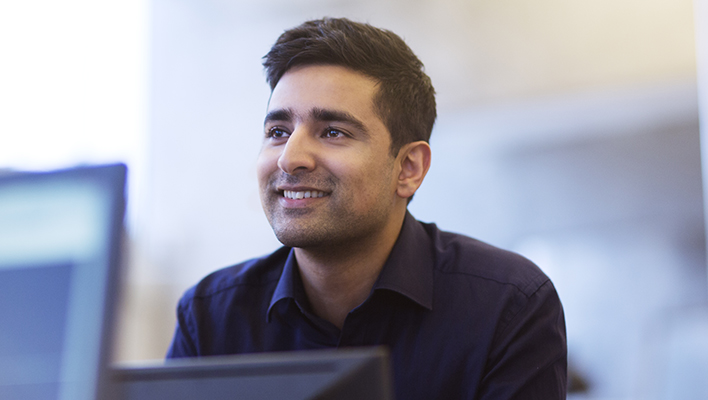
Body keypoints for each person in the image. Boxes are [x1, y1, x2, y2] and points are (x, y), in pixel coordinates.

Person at [167, 17, 567, 399]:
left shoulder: (508, 307)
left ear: (408, 168)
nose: (291, 158)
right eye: (278, 132)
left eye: (333, 132)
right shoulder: (210, 318)